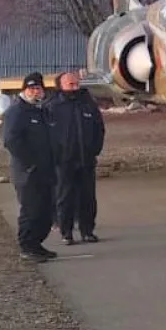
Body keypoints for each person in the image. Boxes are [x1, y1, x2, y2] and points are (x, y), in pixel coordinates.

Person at [2, 72, 58, 262]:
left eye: (38, 88)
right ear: (24, 90)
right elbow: (11, 141)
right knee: (31, 210)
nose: (35, 92)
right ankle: (27, 246)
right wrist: (30, 163)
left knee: (45, 210)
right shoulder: (17, 111)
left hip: (46, 169)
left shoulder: (41, 110)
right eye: (31, 88)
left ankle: (36, 244)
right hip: (27, 172)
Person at [47, 71, 105, 244]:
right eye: (70, 84)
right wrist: (56, 155)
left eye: (76, 84)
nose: (75, 87)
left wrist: (94, 150)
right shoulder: (52, 107)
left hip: (86, 160)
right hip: (64, 161)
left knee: (87, 198)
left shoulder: (88, 104)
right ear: (61, 86)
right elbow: (47, 134)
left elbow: (99, 129)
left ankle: (87, 230)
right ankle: (67, 232)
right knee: (65, 197)